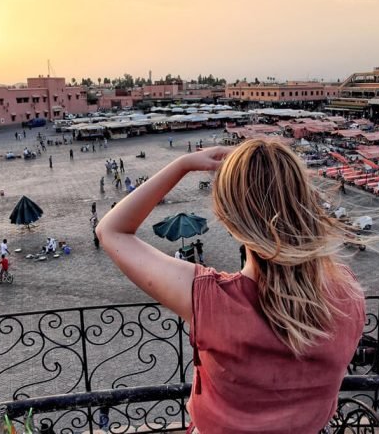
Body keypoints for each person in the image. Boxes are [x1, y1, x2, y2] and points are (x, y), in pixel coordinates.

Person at [95, 141, 365, 433]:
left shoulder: (212, 301)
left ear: (227, 220)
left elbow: (111, 231)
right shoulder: (347, 292)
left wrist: (183, 164)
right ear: (306, 203)